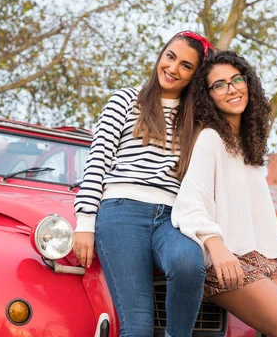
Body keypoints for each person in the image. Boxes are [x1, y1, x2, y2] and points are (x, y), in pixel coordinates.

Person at [171, 50, 277, 337]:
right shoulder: (210, 139)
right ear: (208, 96)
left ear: (248, 83)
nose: (231, 89)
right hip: (227, 260)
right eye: (219, 85)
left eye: (236, 80)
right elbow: (189, 203)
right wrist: (215, 246)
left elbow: (255, 210)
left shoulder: (249, 144)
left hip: (265, 257)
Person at [73, 31, 213, 337]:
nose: (173, 69)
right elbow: (98, 160)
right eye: (170, 57)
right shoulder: (125, 99)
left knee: (189, 265)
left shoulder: (197, 120)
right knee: (136, 326)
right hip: (121, 212)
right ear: (161, 55)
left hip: (173, 218)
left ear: (194, 76)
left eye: (186, 66)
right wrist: (85, 222)